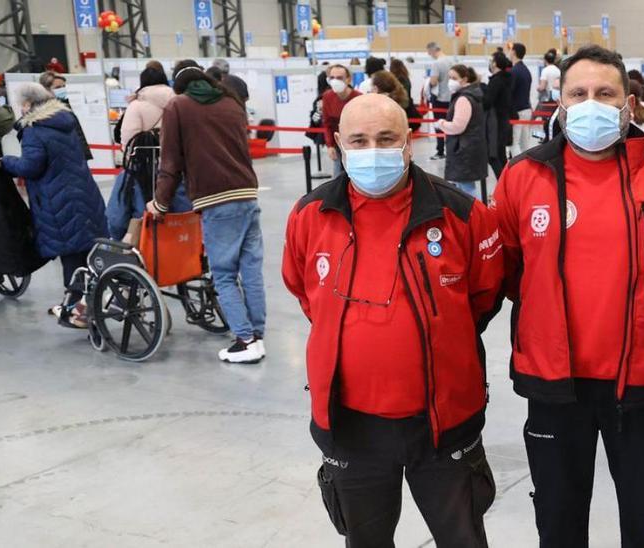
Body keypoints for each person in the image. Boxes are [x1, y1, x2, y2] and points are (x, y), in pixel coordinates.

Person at [492, 44, 644, 548]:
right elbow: (506, 273)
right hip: (554, 387)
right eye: (579, 93)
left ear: (629, 104)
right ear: (562, 103)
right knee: (558, 519)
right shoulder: (523, 178)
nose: (591, 101)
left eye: (605, 92)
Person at [282, 93, 503, 548]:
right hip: (352, 427)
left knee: (463, 539)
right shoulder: (309, 216)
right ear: (338, 145)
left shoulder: (461, 215)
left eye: (386, 139)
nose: (373, 151)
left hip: (443, 422)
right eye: (359, 141)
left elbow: (483, 297)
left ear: (409, 142)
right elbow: (309, 297)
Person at [149, 61, 266, 363]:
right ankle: (257, 333)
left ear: (179, 86)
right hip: (248, 194)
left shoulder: (178, 106)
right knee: (250, 269)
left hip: (216, 199)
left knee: (224, 274)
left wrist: (160, 203)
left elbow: (170, 162)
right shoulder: (231, 102)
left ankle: (245, 340)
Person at [0, 82, 106, 328]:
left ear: (26, 104)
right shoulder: (65, 121)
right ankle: (86, 302)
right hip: (84, 195)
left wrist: (6, 162)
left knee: (69, 256)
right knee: (86, 253)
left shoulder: (35, 130)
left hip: (57, 201)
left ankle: (74, 310)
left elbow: (30, 167)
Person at [109, 66, 188, 243]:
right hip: (178, 167)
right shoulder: (180, 102)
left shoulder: (136, 106)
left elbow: (128, 140)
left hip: (144, 170)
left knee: (137, 209)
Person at [436, 64, 489, 197]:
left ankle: (473, 215)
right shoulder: (471, 95)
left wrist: (442, 123)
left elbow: (458, 126)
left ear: (464, 79)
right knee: (463, 187)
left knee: (466, 190)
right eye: (449, 77)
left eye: (454, 78)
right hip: (468, 147)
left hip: (464, 150)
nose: (450, 81)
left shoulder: (464, 99)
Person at [321, 64, 363, 177]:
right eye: (332, 78)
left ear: (348, 79)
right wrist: (329, 145)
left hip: (356, 144)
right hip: (337, 144)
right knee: (338, 177)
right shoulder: (327, 97)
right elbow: (327, 123)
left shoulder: (359, 98)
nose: (335, 81)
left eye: (339, 78)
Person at [483, 52, 514, 178]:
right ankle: (507, 183)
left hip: (495, 122)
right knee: (500, 154)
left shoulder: (496, 81)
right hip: (503, 120)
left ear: (495, 63)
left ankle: (503, 184)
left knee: (494, 155)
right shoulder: (506, 78)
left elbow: (487, 102)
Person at [427, 42, 455, 159]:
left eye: (429, 53)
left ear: (432, 50)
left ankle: (440, 151)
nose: (430, 55)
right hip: (451, 97)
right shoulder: (451, 61)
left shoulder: (436, 63)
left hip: (439, 98)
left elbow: (433, 81)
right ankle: (451, 150)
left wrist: (427, 84)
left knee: (439, 124)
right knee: (450, 124)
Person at [507, 43, 534, 157]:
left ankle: (518, 168)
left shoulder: (514, 71)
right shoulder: (525, 70)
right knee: (525, 143)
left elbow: (510, 93)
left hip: (517, 111)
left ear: (513, 52)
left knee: (514, 143)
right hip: (526, 108)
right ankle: (528, 166)